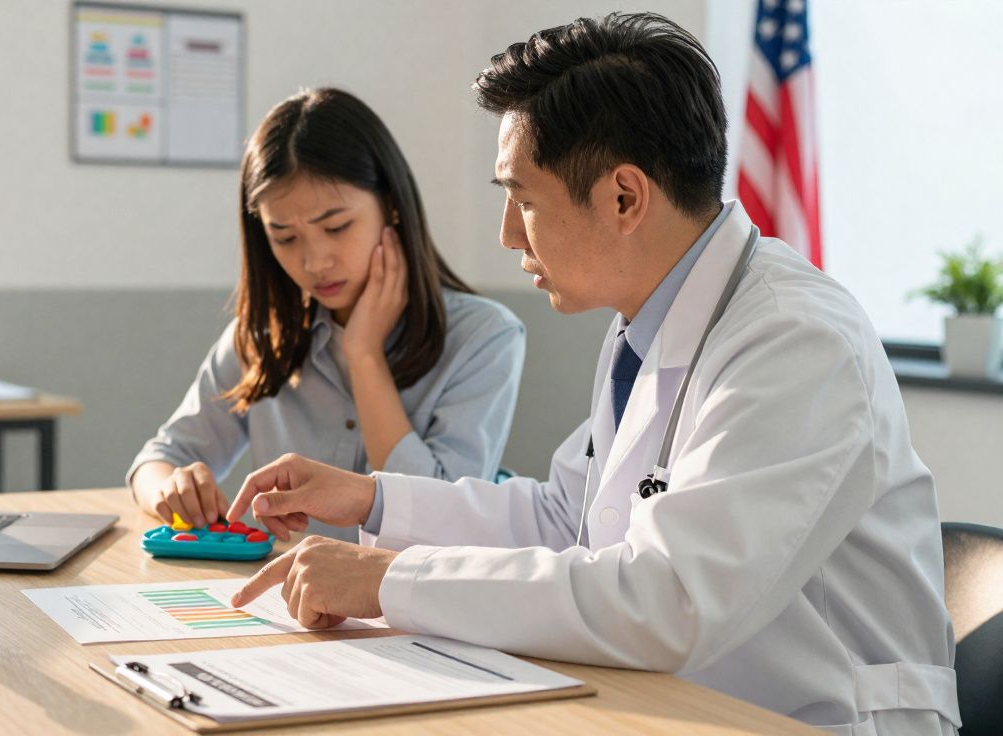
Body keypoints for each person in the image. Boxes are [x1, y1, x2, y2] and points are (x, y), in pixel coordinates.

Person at [224, 14, 959, 734]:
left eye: (523, 199)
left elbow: (669, 598)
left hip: (818, 717)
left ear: (624, 197)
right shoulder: (648, 323)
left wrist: (386, 582)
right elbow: (560, 520)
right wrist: (372, 500)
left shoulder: (794, 340)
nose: (508, 234)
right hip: (679, 706)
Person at [128, 88, 526, 541]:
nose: (315, 262)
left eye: (336, 227)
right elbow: (157, 459)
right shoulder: (262, 336)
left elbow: (437, 521)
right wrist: (171, 487)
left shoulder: (485, 336)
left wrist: (364, 356)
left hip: (404, 606)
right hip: (286, 601)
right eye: (284, 237)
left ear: (391, 206)